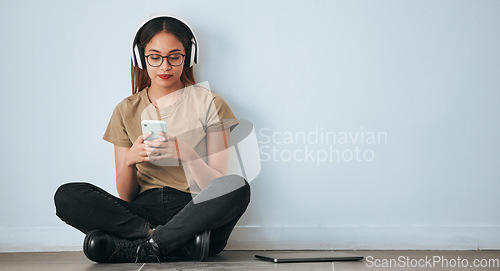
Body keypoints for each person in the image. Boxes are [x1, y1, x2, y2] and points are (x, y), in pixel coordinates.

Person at [53, 15, 251, 263]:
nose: (165, 67)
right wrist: (129, 162)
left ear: (188, 57)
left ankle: (135, 247)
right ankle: (165, 242)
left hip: (193, 211)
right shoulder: (125, 110)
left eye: (174, 56)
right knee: (67, 195)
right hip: (140, 213)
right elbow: (126, 196)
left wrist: (188, 155)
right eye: (155, 57)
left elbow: (216, 184)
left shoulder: (211, 103)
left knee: (237, 186)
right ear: (140, 58)